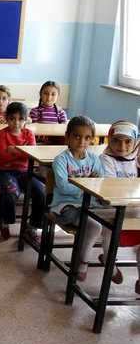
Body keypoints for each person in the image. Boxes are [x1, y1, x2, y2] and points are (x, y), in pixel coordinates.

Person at [50, 116, 103, 281]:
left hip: (88, 204)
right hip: (64, 202)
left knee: (100, 224)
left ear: (92, 139)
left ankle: (83, 261)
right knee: (82, 220)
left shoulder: (94, 159)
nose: (82, 141)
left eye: (87, 137)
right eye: (77, 136)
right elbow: (63, 186)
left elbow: (101, 181)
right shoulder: (61, 160)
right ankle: (82, 261)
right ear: (67, 137)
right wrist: (87, 186)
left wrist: (90, 186)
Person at [98, 120, 140, 293]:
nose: (122, 146)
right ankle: (110, 263)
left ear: (136, 142)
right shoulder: (105, 158)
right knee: (110, 233)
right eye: (116, 140)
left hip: (133, 207)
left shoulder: (136, 157)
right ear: (109, 140)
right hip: (111, 207)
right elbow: (110, 185)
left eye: (128, 141)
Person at [0, 103, 45, 240]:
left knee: (41, 192)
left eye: (20, 119)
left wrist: (13, 149)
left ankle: (33, 225)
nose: (16, 123)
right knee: (10, 192)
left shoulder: (29, 134)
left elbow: (32, 153)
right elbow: (2, 156)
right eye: (12, 119)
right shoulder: (1, 135)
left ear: (26, 119)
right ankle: (5, 222)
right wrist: (22, 150)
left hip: (24, 172)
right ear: (6, 118)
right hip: (4, 172)